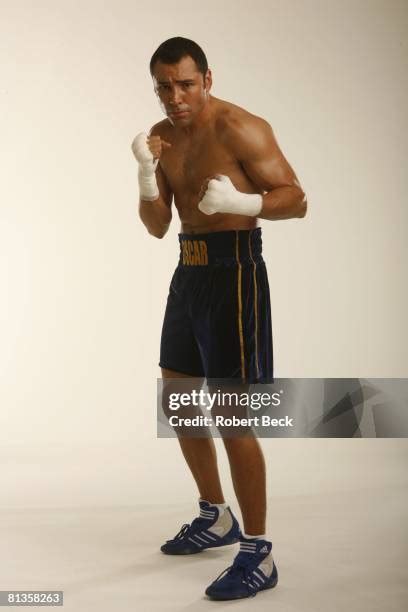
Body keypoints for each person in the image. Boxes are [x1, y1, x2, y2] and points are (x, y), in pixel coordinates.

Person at [131, 36, 307, 601]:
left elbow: (296, 197)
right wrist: (143, 172)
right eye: (164, 86)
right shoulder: (161, 138)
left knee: (233, 414)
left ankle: (258, 552)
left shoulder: (240, 127)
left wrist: (245, 203)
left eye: (185, 83)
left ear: (207, 78)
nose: (175, 97)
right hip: (189, 270)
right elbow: (158, 225)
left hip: (235, 274)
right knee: (178, 398)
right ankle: (216, 515)